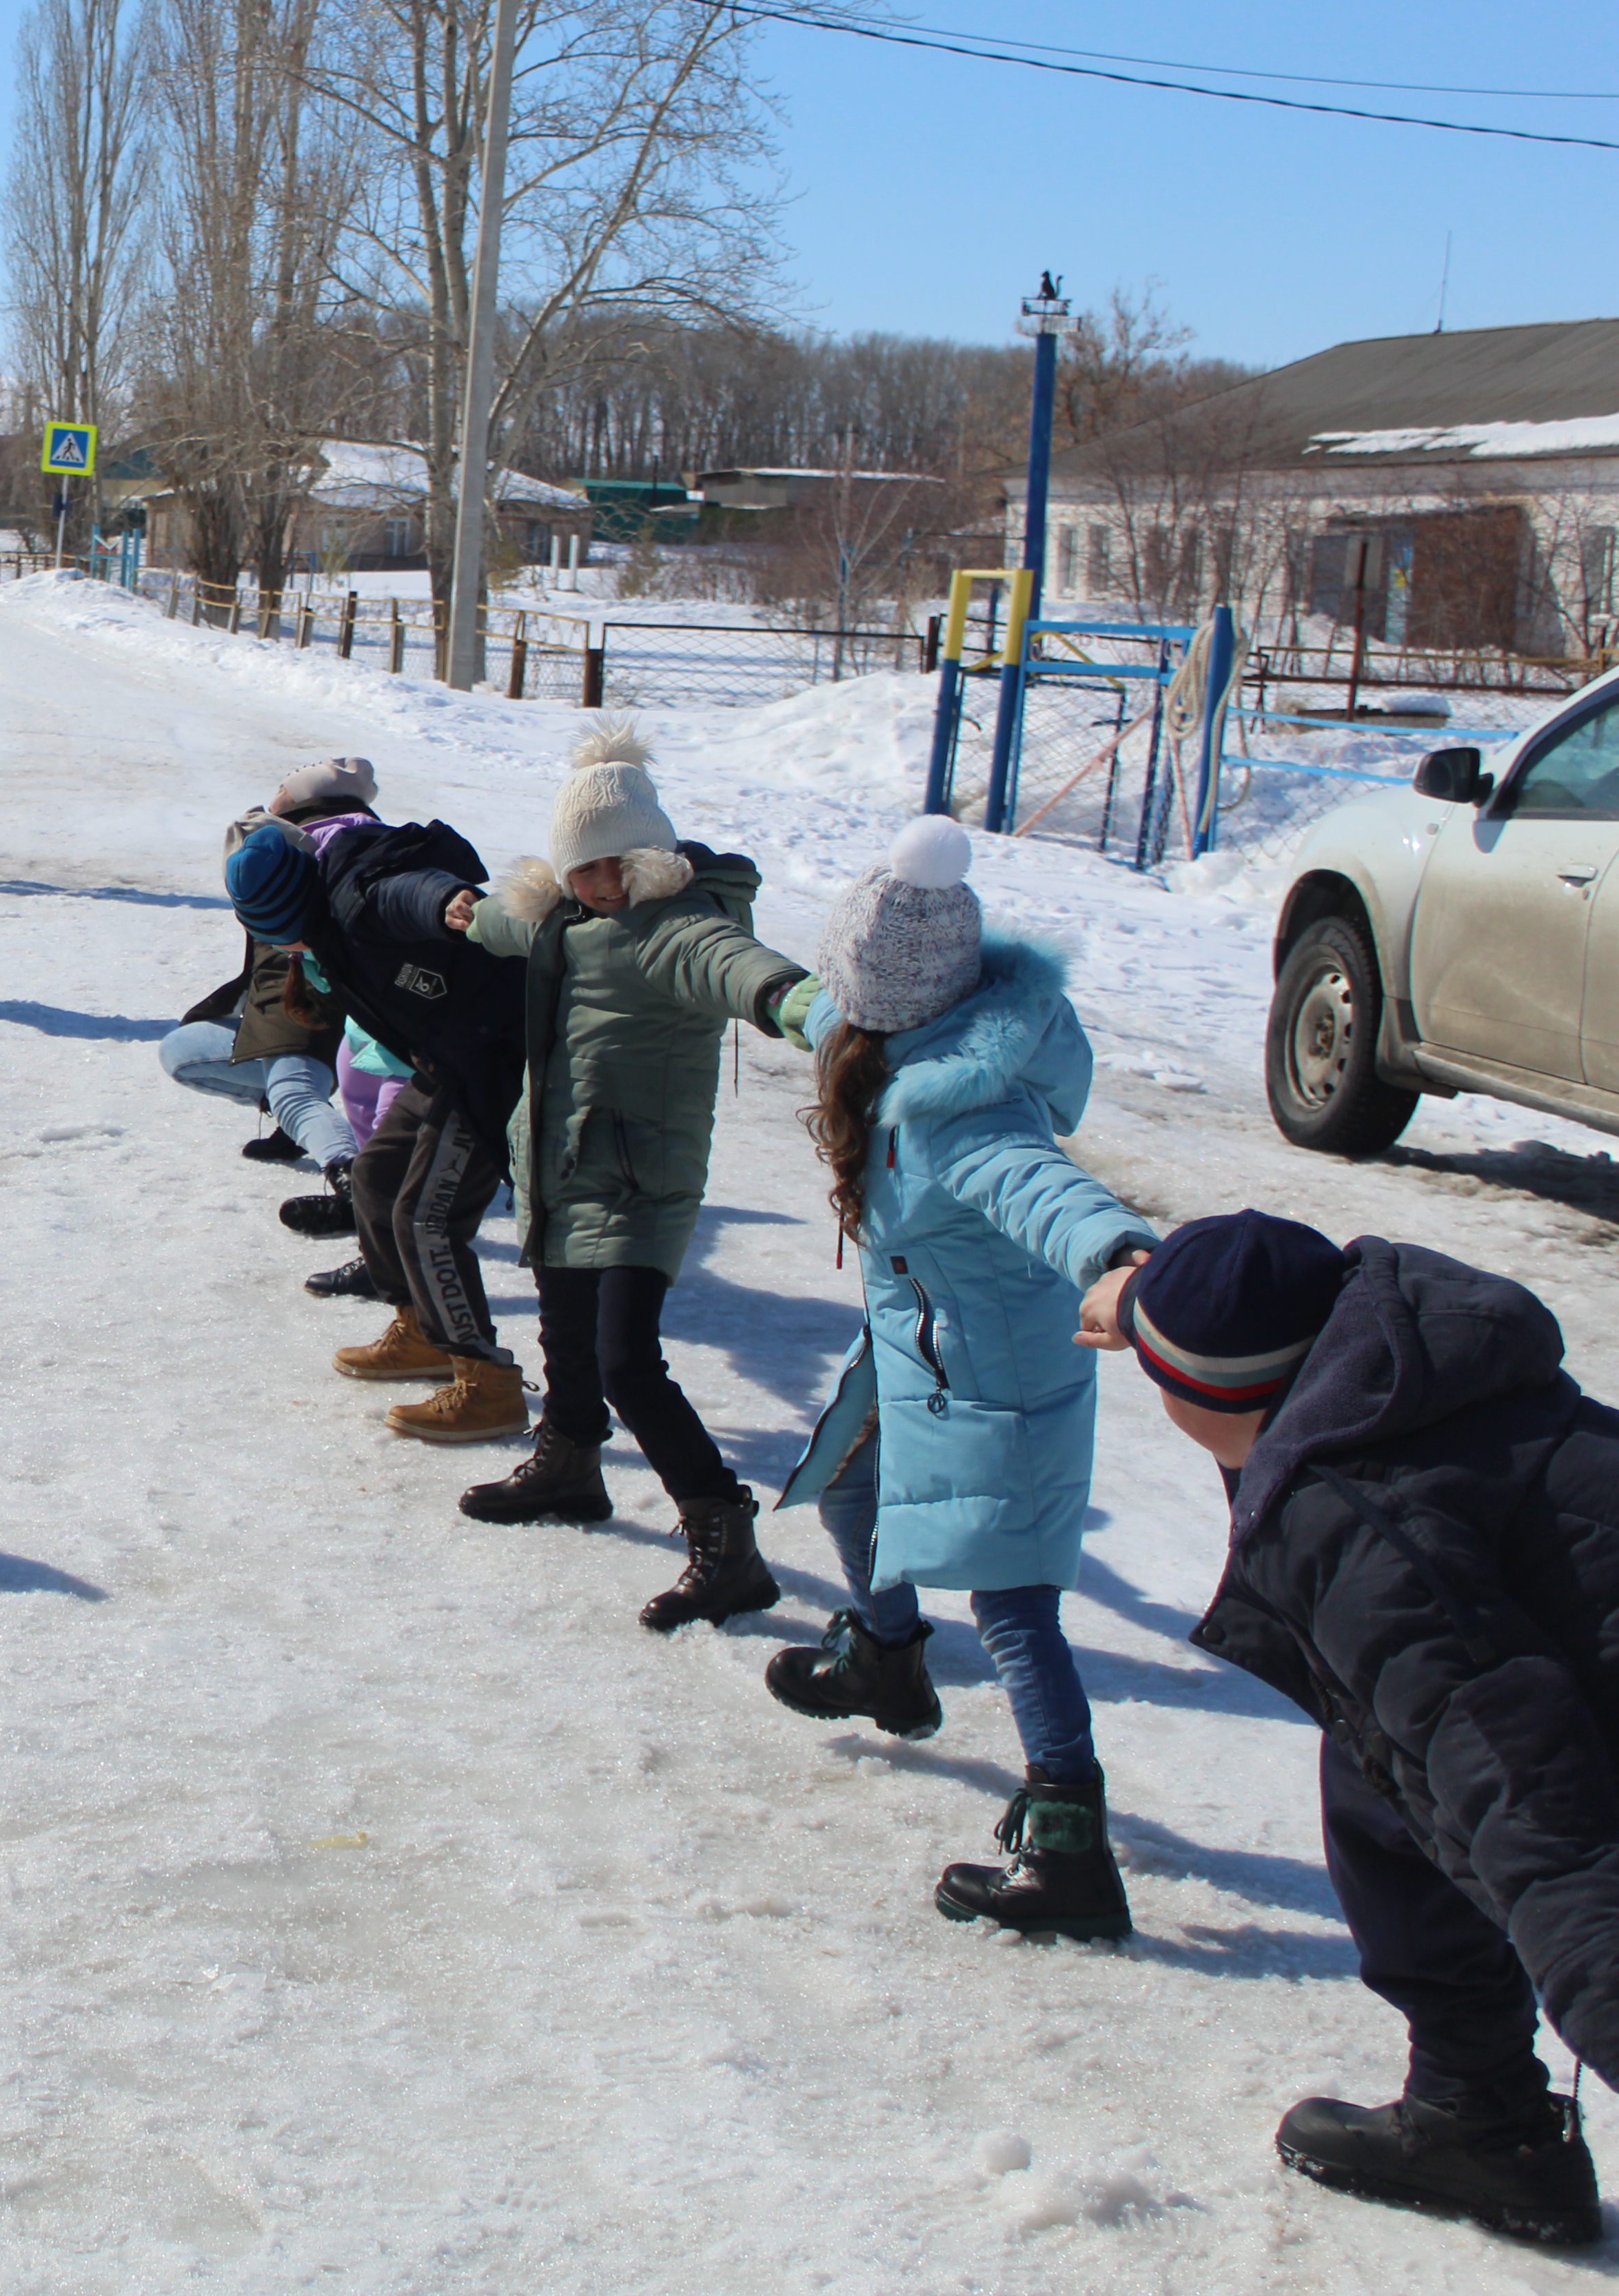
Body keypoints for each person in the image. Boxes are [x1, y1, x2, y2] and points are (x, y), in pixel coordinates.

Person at [1092, 1210, 1619, 2246]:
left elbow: (1541, 1826)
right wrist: (1146, 1303)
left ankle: (1491, 2122)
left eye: (1165, 1379)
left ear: (1215, 1399)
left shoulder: (1358, 1531)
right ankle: (1485, 2121)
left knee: (1499, 1812)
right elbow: (1242, 1318)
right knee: (1382, 1784)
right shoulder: (1391, 1361)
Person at [758, 817, 1157, 1938]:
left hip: (994, 1378)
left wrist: (1120, 1261)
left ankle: (1070, 1848)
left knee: (1013, 1606)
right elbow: (805, 1009)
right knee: (843, 1483)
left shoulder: (966, 1109)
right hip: (914, 1346)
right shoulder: (883, 1042)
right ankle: (885, 1661)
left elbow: (1045, 1189)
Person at [447, 723, 808, 1627]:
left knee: (626, 1363)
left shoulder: (678, 928)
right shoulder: (567, 921)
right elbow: (514, 922)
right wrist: (465, 913)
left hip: (641, 1173)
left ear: (655, 856)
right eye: (585, 869)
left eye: (620, 864)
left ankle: (725, 1538)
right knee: (567, 1342)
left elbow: (737, 967)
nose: (604, 884)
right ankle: (569, 1465)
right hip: (562, 1162)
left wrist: (800, 1004)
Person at [223, 785, 529, 1443]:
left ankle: (487, 1381)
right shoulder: (320, 914)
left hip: (500, 1060)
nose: (297, 948)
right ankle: (420, 1328)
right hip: (448, 1056)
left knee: (428, 1216)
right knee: (375, 1180)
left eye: (292, 935)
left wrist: (448, 901)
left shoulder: (356, 887)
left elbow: (406, 891)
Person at [162, 760, 369, 1224]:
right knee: (182, 1050)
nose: (274, 795)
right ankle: (297, 1120)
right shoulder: (319, 837)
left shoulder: (312, 845)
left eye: (284, 787)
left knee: (297, 1093)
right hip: (295, 1003)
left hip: (314, 1006)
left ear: (308, 800)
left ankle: (355, 1184)